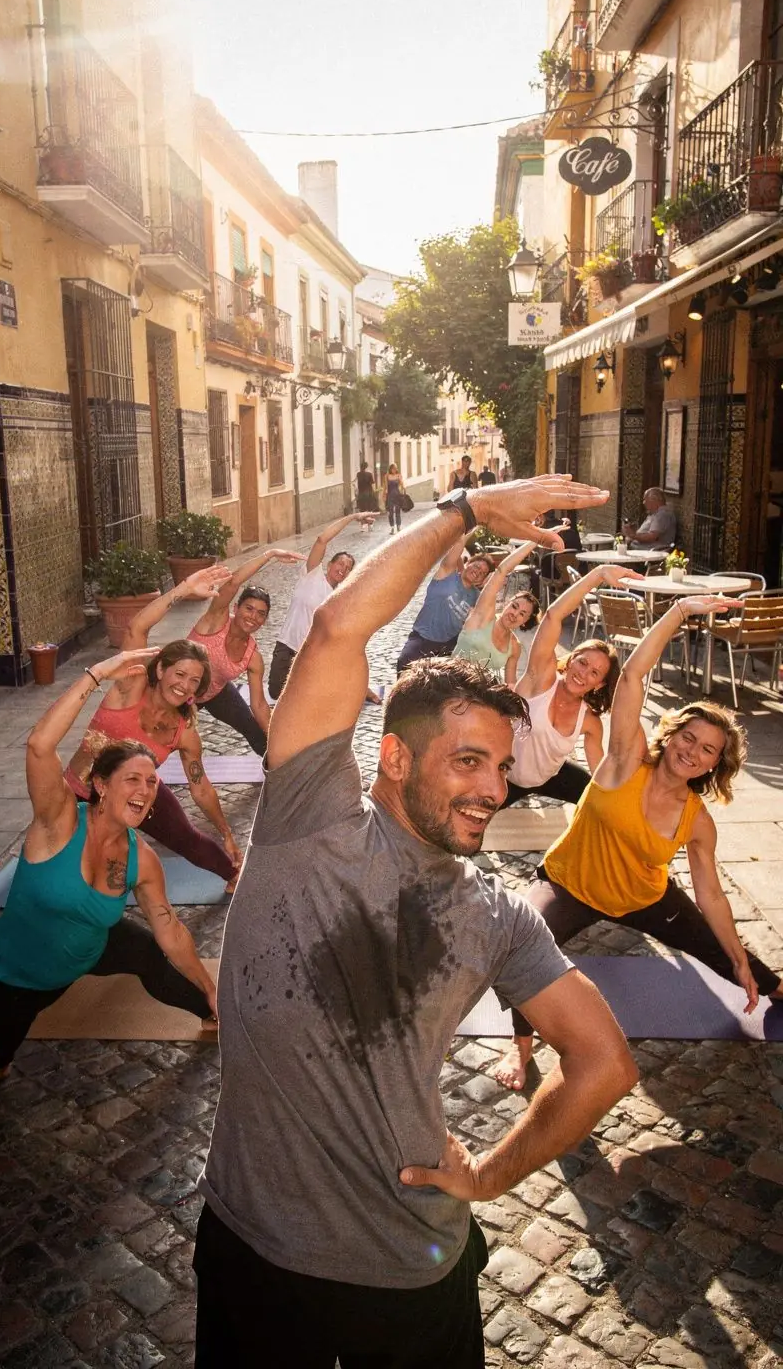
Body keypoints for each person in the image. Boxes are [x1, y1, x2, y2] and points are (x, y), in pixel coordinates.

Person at [194, 474, 637, 1369]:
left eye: (502, 767)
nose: (491, 787)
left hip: (410, 1270)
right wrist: (464, 510)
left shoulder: (499, 914)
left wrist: (488, 1175)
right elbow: (337, 628)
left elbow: (606, 1065)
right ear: (391, 757)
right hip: (251, 1250)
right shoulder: (307, 811)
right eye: (468, 760)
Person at [495, 593, 783, 1090]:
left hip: (645, 899)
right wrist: (679, 612)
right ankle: (520, 1052)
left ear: (715, 764)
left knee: (733, 958)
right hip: (569, 882)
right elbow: (630, 679)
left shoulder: (697, 821)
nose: (692, 751)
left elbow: (710, 894)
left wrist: (735, 954)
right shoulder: (626, 758)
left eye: (707, 749)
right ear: (670, 736)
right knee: (521, 946)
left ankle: (776, 987)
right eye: (687, 738)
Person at [0, 649, 218, 1111]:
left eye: (151, 782)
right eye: (131, 780)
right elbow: (40, 746)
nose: (144, 792)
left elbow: (171, 930)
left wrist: (209, 988)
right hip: (22, 971)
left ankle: (208, 1011)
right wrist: (97, 673)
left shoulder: (141, 860)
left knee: (152, 960)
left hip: (92, 944)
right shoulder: (57, 821)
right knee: (3, 1042)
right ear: (101, 784)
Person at [65, 636, 242, 891]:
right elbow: (138, 626)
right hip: (79, 794)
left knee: (186, 837)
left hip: (138, 793)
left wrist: (226, 833)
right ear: (160, 669)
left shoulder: (184, 732)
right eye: (179, 674)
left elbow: (201, 788)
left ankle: (233, 874)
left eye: (194, 681)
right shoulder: (131, 688)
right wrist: (183, 593)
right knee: (75, 865)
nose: (184, 686)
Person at [125, 555, 304, 758]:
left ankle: (283, 771)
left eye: (261, 614)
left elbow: (260, 706)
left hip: (216, 694)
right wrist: (269, 554)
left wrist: (281, 741)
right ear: (236, 608)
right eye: (249, 608)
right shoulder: (216, 620)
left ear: (264, 620)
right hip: (182, 690)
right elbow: (234, 581)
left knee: (256, 733)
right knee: (157, 740)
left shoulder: (253, 657)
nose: (253, 617)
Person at [497, 564, 635, 812]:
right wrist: (598, 574)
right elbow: (553, 616)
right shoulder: (540, 680)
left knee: (598, 802)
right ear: (570, 660)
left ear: (599, 684)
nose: (583, 673)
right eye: (582, 662)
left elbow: (599, 771)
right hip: (504, 778)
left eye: (594, 673)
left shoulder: (590, 721)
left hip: (550, 777)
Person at [268, 510, 376, 700]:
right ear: (329, 565)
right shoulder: (311, 574)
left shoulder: (339, 597)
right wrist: (353, 517)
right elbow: (321, 539)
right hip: (287, 644)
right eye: (340, 564)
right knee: (275, 692)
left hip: (311, 654)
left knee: (305, 698)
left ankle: (359, 689)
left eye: (348, 568)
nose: (342, 569)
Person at [395, 537, 494, 674]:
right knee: (404, 664)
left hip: (448, 646)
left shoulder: (477, 597)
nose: (478, 572)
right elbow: (457, 547)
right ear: (468, 564)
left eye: (483, 573)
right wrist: (469, 528)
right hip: (422, 638)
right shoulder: (446, 575)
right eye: (477, 566)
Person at [453, 543, 539, 684]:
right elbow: (502, 570)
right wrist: (536, 540)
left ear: (525, 621)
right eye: (514, 606)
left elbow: (510, 683)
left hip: (478, 695)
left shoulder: (514, 646)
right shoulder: (484, 617)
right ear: (507, 604)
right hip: (450, 683)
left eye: (522, 614)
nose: (514, 614)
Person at [384, 462, 405, 534]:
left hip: (397, 495)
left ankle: (398, 526)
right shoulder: (387, 476)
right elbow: (386, 487)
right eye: (393, 469)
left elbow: (402, 485)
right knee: (390, 512)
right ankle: (392, 527)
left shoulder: (399, 475)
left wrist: (403, 491)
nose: (394, 470)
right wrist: (384, 495)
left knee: (398, 511)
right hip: (390, 495)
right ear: (390, 469)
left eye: (396, 469)